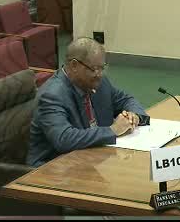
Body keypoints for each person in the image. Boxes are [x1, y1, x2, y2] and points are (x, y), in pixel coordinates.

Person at [26, 37, 149, 168]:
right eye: (94, 68)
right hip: (52, 168)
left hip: (90, 158)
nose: (99, 74)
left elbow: (126, 100)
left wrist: (134, 116)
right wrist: (112, 130)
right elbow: (64, 138)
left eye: (102, 68)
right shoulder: (52, 95)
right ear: (74, 65)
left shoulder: (98, 82)